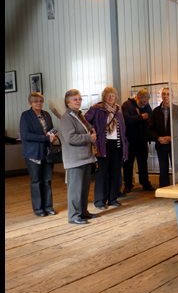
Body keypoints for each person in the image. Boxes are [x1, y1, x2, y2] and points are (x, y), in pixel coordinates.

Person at [85, 87, 129, 210]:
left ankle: (113, 199)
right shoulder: (96, 109)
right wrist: (93, 130)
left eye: (113, 96)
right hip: (103, 145)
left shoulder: (118, 110)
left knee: (115, 173)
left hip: (117, 145)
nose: (110, 98)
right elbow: (85, 121)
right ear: (104, 97)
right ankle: (100, 201)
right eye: (108, 95)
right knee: (102, 174)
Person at [60, 89, 98, 224]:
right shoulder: (66, 118)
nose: (78, 101)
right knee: (75, 190)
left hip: (85, 157)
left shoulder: (78, 116)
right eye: (75, 99)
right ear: (68, 102)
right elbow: (70, 138)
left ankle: (83, 212)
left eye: (80, 99)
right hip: (75, 159)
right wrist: (89, 137)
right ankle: (73, 216)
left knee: (84, 188)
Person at [19, 93, 58, 217]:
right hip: (32, 153)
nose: (38, 103)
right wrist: (46, 138)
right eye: (35, 101)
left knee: (47, 180)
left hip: (46, 152)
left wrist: (52, 136)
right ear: (30, 103)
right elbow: (26, 135)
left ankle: (48, 207)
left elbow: (49, 131)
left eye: (40, 101)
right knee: (36, 181)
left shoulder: (46, 114)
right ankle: (38, 209)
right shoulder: (26, 115)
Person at [148, 88, 178, 187]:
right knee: (163, 169)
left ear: (172, 97)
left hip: (175, 145)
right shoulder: (156, 111)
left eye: (168, 94)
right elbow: (150, 129)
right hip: (161, 145)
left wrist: (172, 137)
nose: (165, 96)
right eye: (164, 94)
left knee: (176, 168)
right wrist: (158, 138)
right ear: (161, 96)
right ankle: (164, 190)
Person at [121, 89, 155, 193]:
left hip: (142, 140)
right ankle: (128, 184)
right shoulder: (126, 105)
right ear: (139, 97)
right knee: (128, 163)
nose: (146, 103)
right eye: (144, 101)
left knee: (143, 163)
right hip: (130, 140)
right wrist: (141, 117)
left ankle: (145, 183)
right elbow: (126, 119)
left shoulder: (146, 105)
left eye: (147, 102)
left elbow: (151, 115)